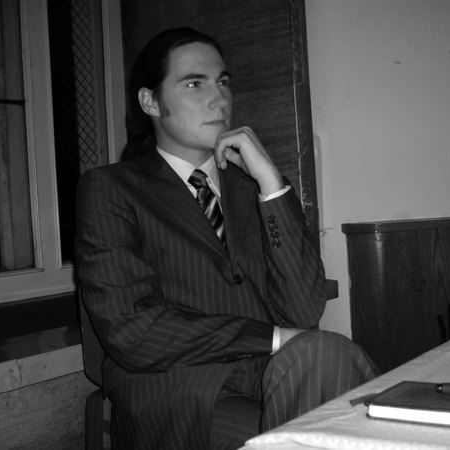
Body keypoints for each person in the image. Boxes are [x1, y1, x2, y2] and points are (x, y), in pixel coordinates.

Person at [75, 27, 377, 450]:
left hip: (271, 370)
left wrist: (271, 183)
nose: (219, 99)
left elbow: (305, 309)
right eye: (194, 83)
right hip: (180, 388)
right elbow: (133, 332)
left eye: (223, 82)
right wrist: (274, 338)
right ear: (150, 102)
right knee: (329, 422)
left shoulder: (255, 189)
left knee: (328, 352)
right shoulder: (113, 188)